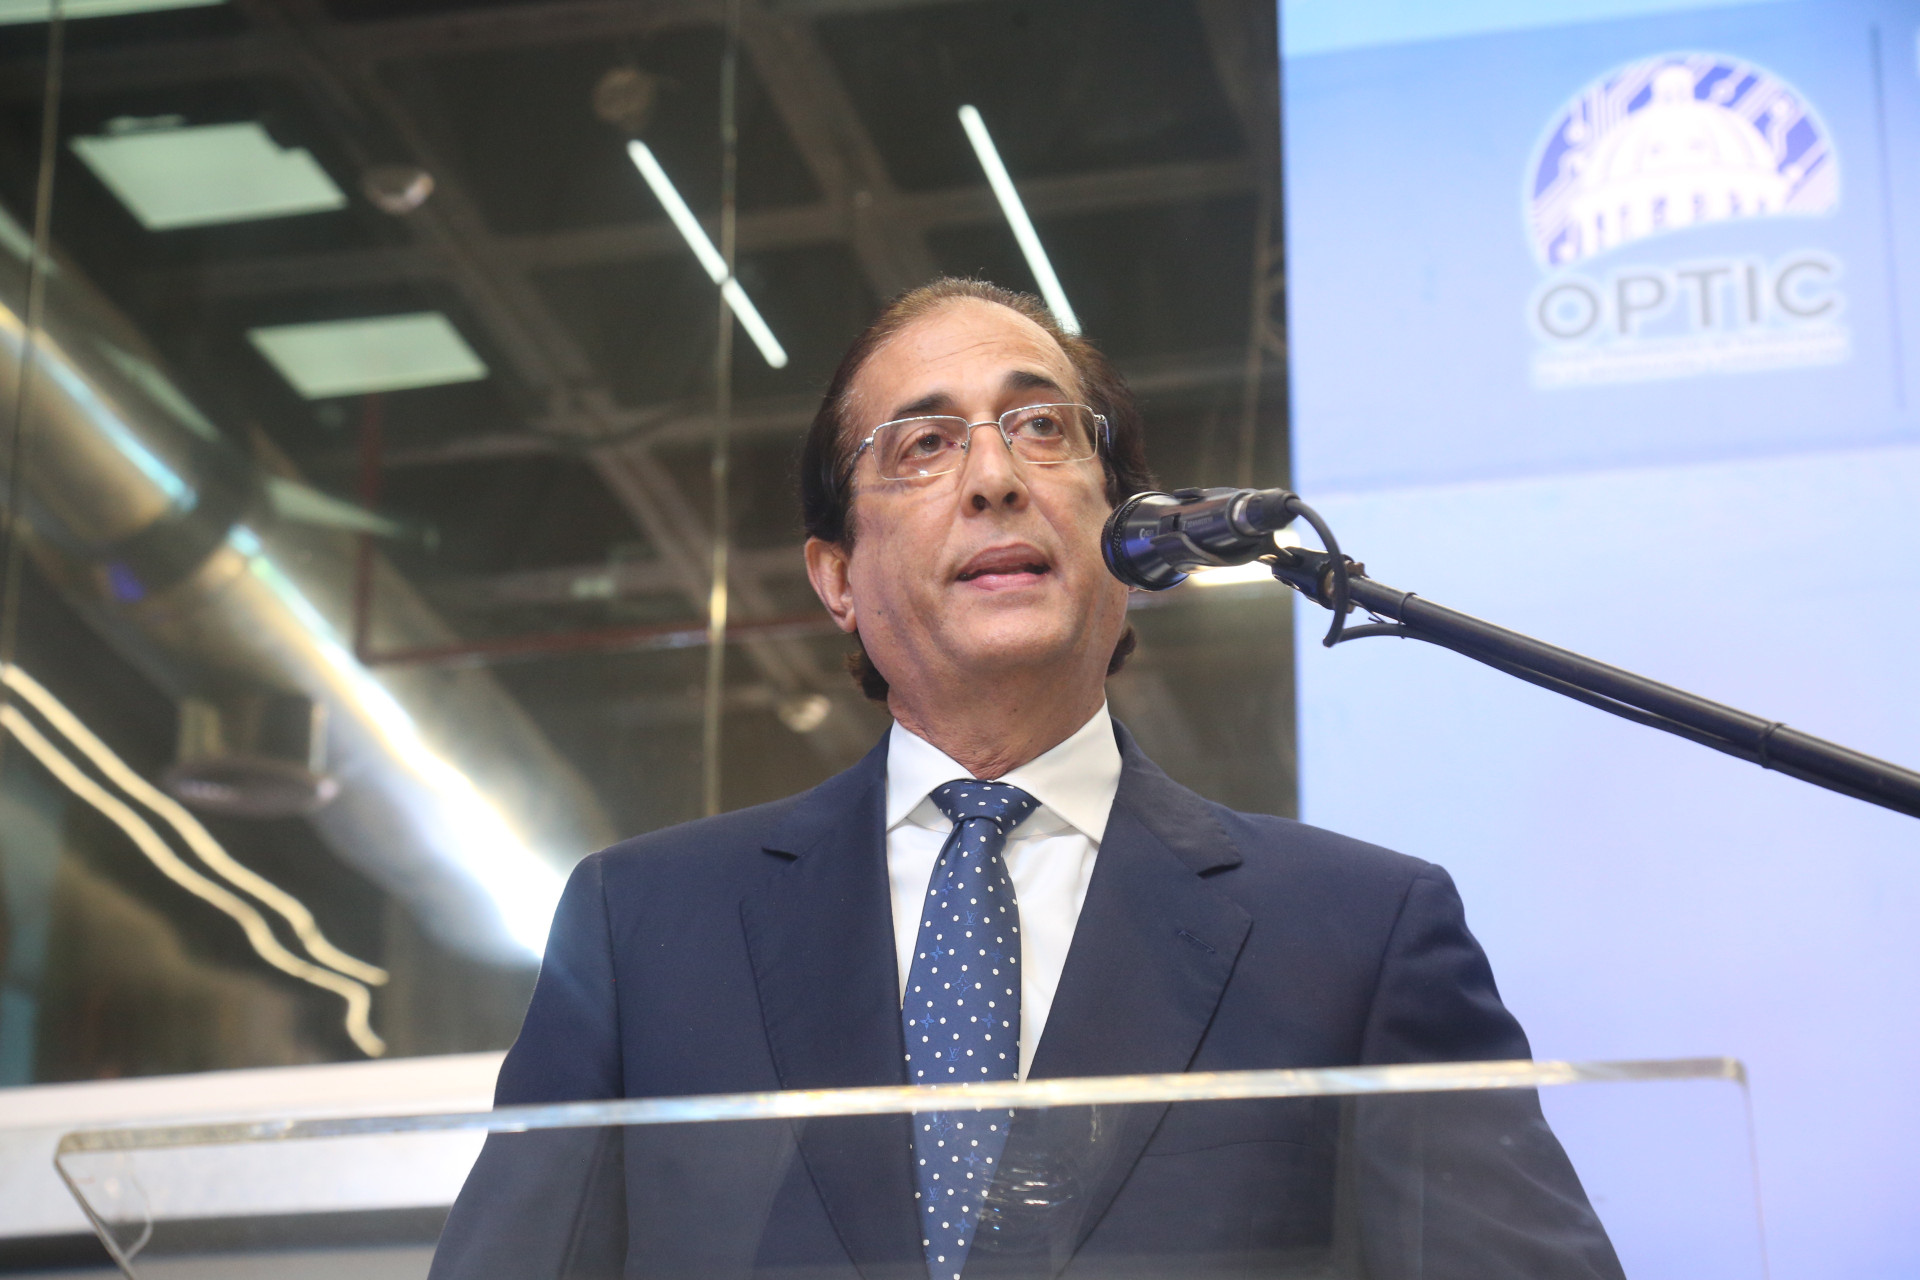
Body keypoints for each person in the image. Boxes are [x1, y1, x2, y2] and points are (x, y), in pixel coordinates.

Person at [429, 279, 1622, 1280]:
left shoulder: (1359, 932)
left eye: (1043, 427)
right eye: (924, 444)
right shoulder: (644, 928)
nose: (994, 476)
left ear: (1132, 538)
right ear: (836, 576)